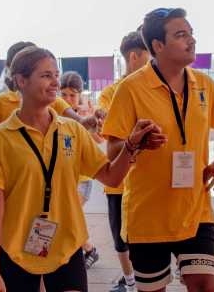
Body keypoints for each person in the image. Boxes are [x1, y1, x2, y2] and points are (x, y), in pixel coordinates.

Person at [0, 46, 165, 292]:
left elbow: (111, 177)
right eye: (46, 75)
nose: (55, 82)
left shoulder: (72, 130)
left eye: (56, 74)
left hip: (67, 245)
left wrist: (131, 145)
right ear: (21, 80)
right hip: (15, 250)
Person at [103, 8, 214, 292]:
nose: (191, 40)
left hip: (196, 211)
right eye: (181, 35)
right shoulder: (130, 89)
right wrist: (135, 143)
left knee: (204, 286)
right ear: (157, 45)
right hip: (147, 217)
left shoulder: (203, 84)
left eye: (191, 33)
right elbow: (112, 149)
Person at [0, 41, 104, 209]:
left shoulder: (53, 101)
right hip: (13, 180)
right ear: (16, 74)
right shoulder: (0, 105)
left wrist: (90, 121)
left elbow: (79, 122)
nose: (54, 82)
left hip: (49, 182)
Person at [97, 31, 149, 292]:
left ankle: (145, 278)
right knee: (120, 238)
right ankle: (129, 282)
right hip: (119, 181)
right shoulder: (110, 93)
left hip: (148, 179)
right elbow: (110, 132)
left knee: (148, 237)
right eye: (149, 55)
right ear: (134, 57)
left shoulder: (154, 89)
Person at [59, 71, 101, 269]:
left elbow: (100, 139)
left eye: (72, 95)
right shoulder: (54, 114)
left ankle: (88, 250)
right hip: (61, 179)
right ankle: (85, 250)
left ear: (80, 95)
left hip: (81, 180)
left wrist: (90, 126)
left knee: (68, 217)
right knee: (66, 218)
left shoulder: (85, 116)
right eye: (63, 94)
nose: (67, 99)